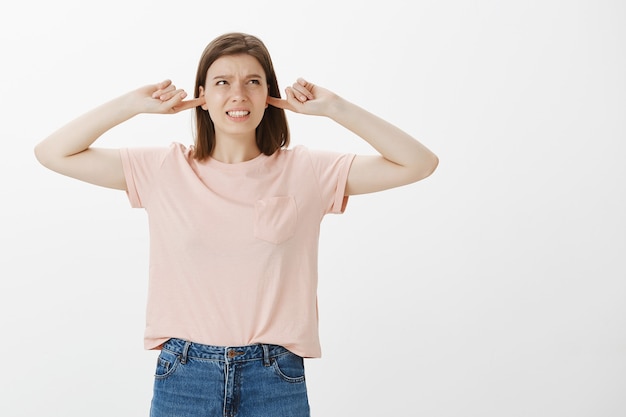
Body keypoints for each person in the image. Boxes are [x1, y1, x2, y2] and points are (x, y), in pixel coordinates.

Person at [34, 32, 438, 417]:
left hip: (275, 377)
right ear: (203, 97)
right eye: (222, 82)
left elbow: (419, 163)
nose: (238, 94)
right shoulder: (163, 168)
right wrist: (131, 104)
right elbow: (53, 153)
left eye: (253, 81)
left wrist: (336, 108)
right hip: (185, 375)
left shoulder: (307, 170)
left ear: (269, 96)